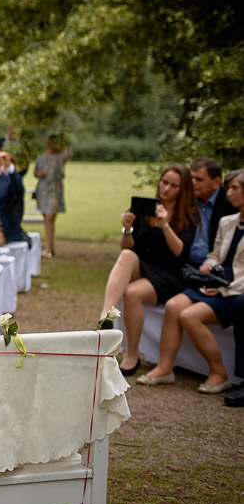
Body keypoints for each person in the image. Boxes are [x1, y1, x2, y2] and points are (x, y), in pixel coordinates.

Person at [138, 169, 244, 393]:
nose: (229, 193)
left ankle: (219, 373)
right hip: (216, 280)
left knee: (189, 316)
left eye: (235, 188)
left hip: (235, 290)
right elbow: (215, 254)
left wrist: (224, 286)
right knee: (174, 304)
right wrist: (209, 267)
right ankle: (165, 368)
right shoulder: (228, 221)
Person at [100, 163, 197, 376]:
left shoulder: (188, 216)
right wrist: (127, 228)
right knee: (126, 255)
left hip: (169, 274)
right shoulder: (144, 210)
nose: (166, 189)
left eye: (174, 185)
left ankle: (132, 355)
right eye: (164, 183)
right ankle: (106, 317)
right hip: (142, 267)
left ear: (183, 189)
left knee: (132, 293)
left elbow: (180, 252)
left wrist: (164, 224)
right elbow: (127, 247)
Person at [189, 157, 233, 267]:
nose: (192, 183)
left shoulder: (230, 202)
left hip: (218, 266)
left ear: (216, 182)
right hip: (186, 265)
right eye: (191, 178)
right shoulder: (186, 201)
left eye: (199, 179)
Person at [34, 134, 72, 258]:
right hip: (43, 188)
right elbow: (35, 171)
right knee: (46, 218)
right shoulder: (41, 156)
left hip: (55, 189)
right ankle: (50, 247)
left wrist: (65, 139)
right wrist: (39, 173)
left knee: (50, 217)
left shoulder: (60, 156)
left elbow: (68, 153)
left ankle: (49, 248)